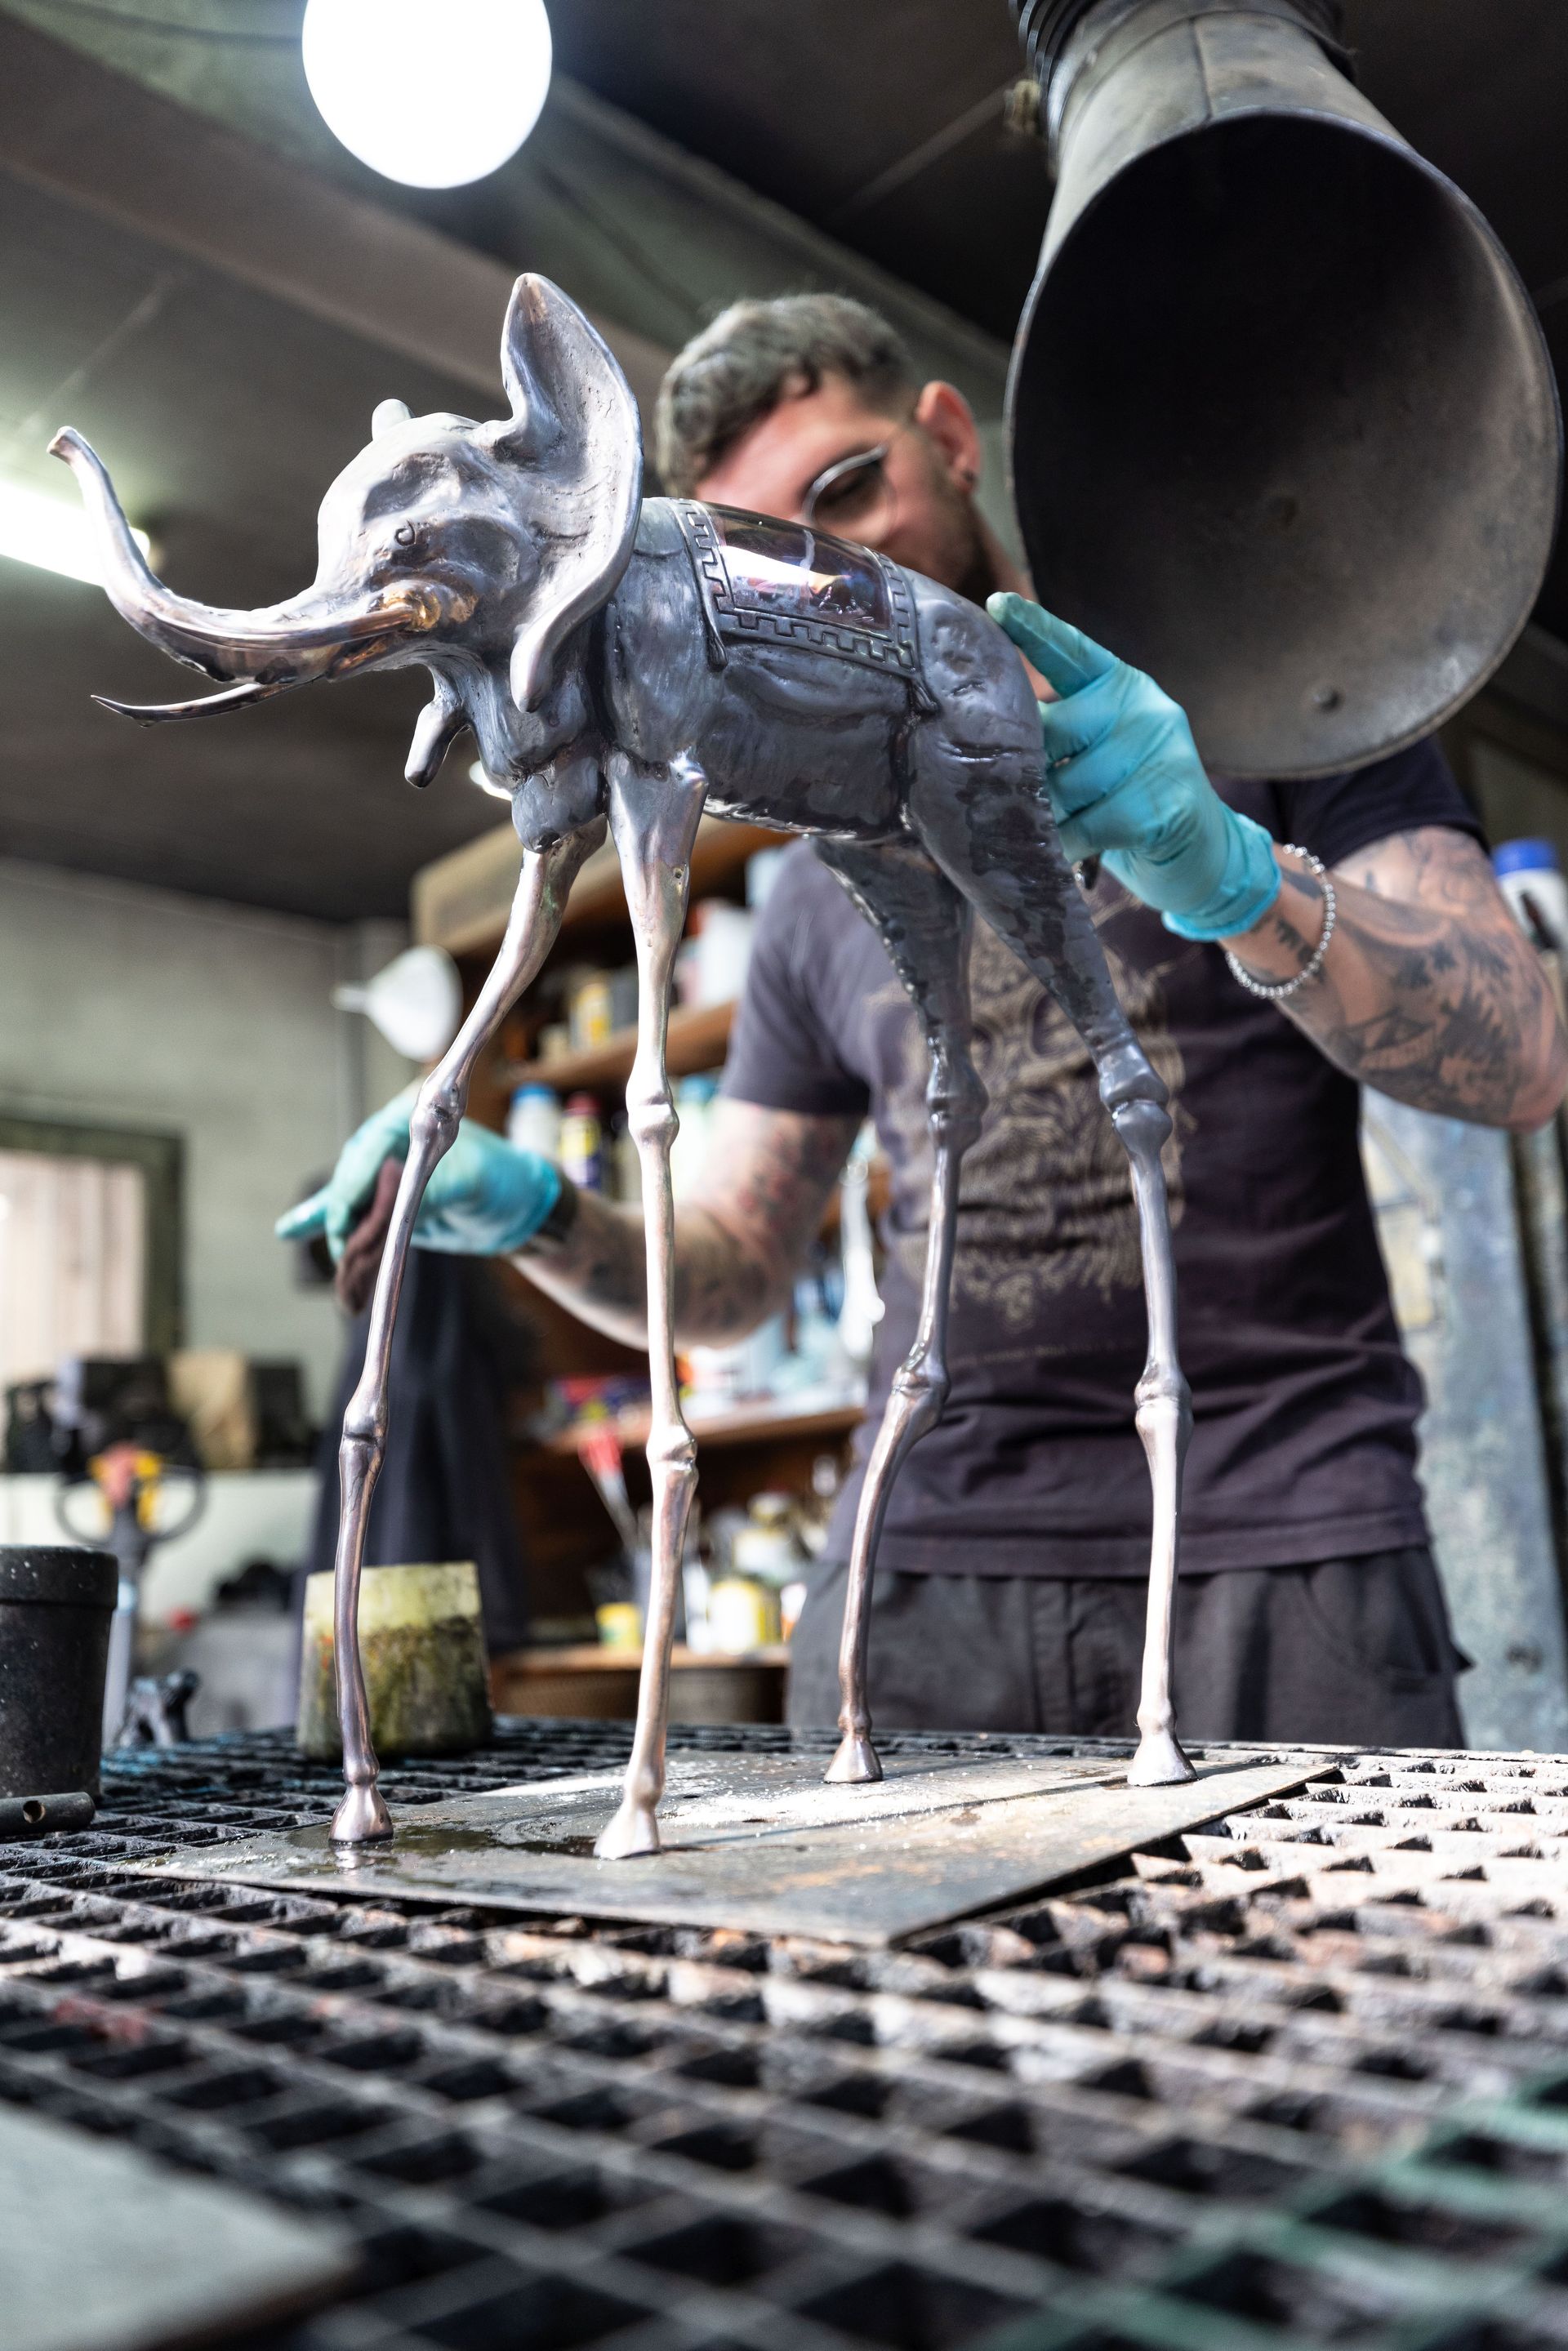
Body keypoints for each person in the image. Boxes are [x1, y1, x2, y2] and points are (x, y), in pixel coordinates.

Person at [281, 294, 1567, 1750]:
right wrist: (531, 1210)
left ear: (947, 439)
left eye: (848, 491)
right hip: (922, 1574)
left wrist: (1237, 870)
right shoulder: (816, 895)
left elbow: (1520, 1051)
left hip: (1283, 1545)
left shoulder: (1271, 710)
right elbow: (727, 1274)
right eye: (774, 549)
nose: (834, 561)